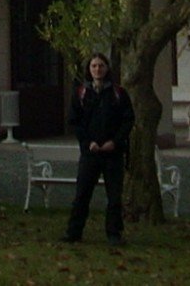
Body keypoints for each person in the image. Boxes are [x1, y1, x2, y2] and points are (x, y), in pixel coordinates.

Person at [62, 52, 134, 245]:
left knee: (114, 197)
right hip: (90, 153)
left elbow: (128, 121)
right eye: (94, 66)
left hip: (113, 153)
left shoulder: (119, 93)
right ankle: (74, 232)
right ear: (89, 69)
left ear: (107, 68)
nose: (97, 69)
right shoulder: (81, 94)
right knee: (82, 194)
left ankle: (114, 234)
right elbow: (74, 122)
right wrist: (87, 143)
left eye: (101, 65)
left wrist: (116, 142)